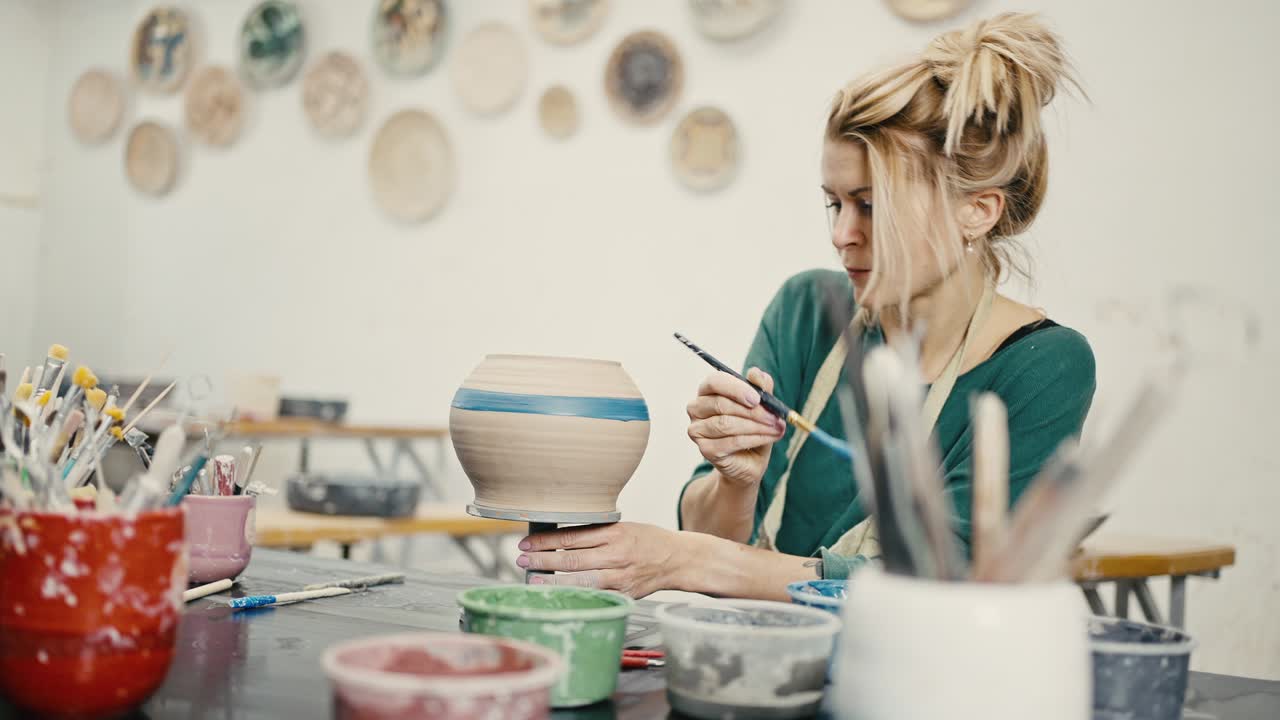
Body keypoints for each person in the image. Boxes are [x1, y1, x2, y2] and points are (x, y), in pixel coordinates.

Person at [517, 12, 1096, 600]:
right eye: (834, 203)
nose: (843, 233)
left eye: (870, 206)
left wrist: (681, 561)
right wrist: (737, 482)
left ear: (978, 209)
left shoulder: (1046, 366)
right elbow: (708, 533)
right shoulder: (807, 311)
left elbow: (944, 587)